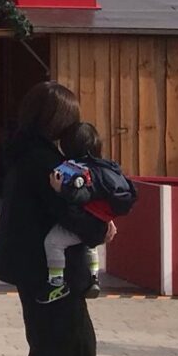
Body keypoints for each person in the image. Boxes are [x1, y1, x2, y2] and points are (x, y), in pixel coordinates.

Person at [0, 81, 151, 356]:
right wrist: (100, 229)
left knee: (80, 342)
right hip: (45, 271)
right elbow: (67, 209)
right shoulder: (43, 161)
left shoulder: (26, 151)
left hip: (40, 265)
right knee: (51, 342)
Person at [37, 121, 138, 303]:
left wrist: (61, 189)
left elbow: (81, 195)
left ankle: (56, 282)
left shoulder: (80, 169)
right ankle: (94, 277)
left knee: (53, 242)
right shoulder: (106, 166)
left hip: (84, 224)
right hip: (99, 224)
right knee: (90, 244)